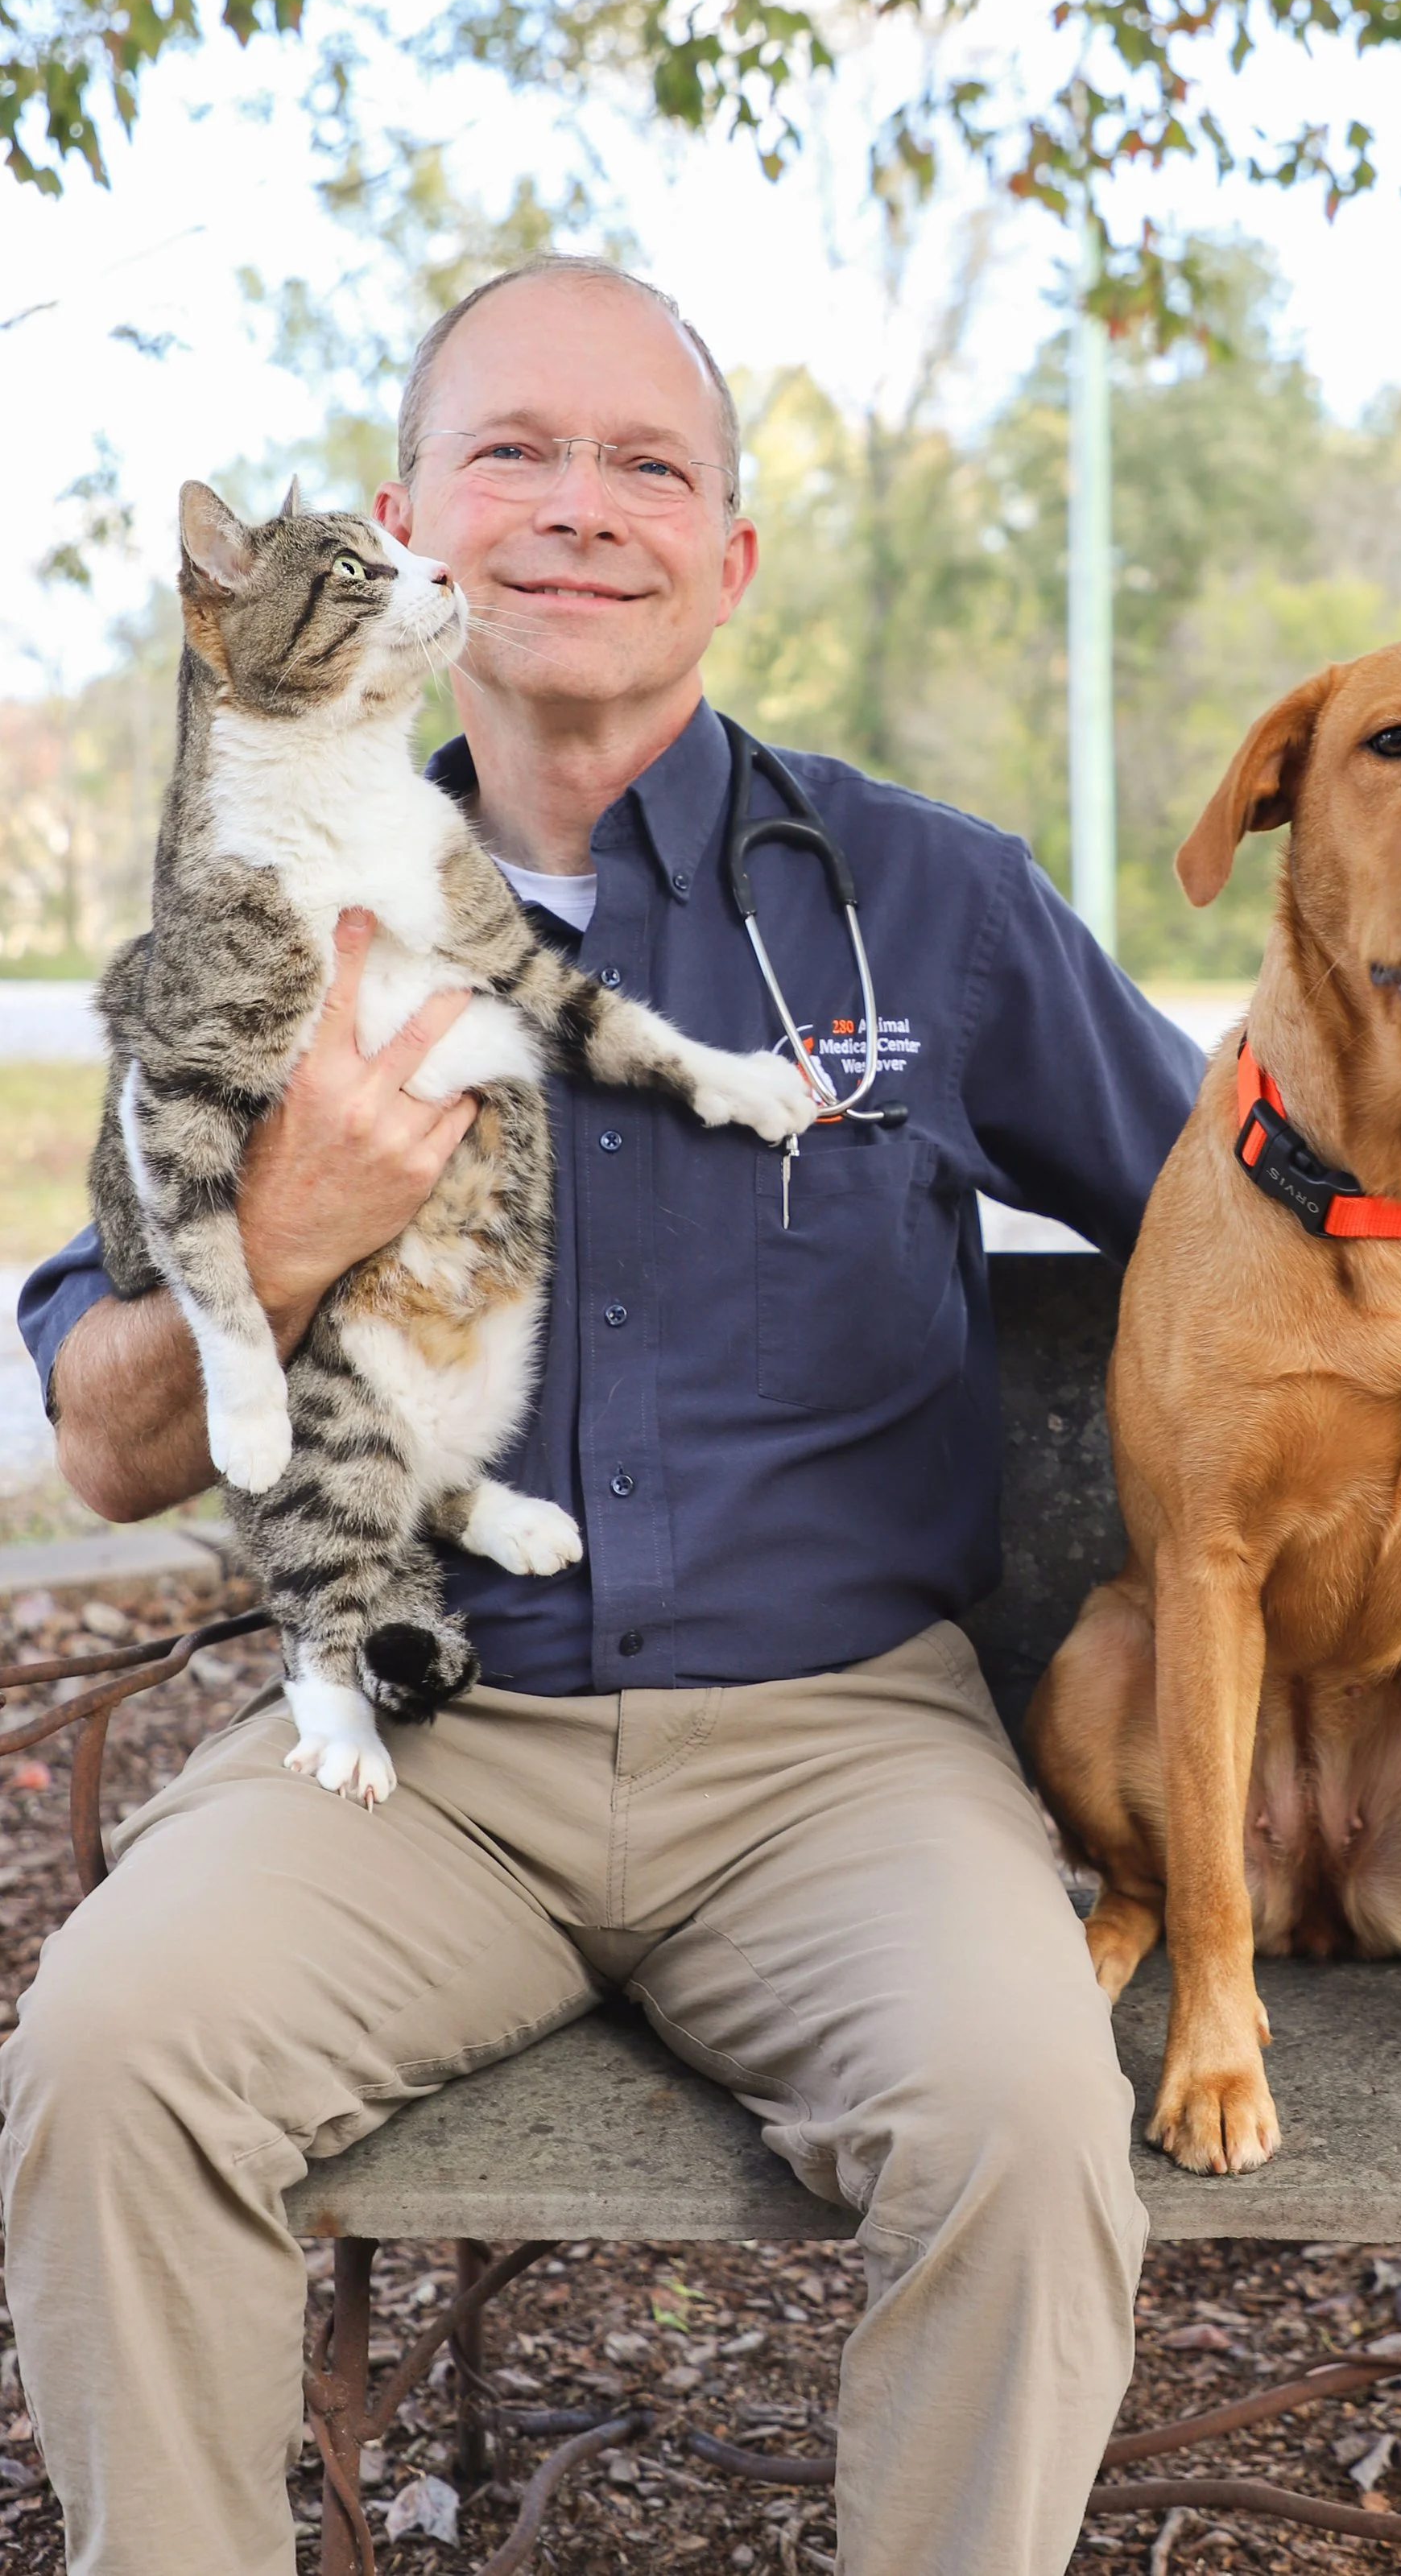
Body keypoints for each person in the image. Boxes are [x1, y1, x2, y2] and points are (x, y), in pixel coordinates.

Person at [2, 254, 1203, 2576]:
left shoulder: (919, 908)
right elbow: (112, 1437)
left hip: (842, 1750)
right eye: (512, 455)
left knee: (1029, 2112)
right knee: (111, 2048)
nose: (580, 509)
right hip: (417, 1747)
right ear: (403, 529)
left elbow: (1233, 1225)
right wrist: (281, 1220)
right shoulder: (264, 919)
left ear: (729, 557)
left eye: (649, 464)